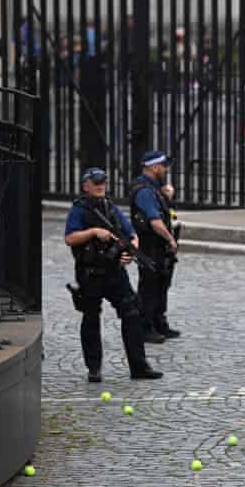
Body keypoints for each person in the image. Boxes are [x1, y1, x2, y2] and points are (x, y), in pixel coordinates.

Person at [64, 167, 163, 382]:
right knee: (91, 318)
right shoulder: (79, 210)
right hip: (90, 274)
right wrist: (92, 232)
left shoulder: (110, 207)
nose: (100, 185)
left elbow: (131, 235)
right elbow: (70, 238)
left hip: (114, 272)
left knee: (132, 313)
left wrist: (128, 252)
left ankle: (139, 366)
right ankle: (94, 369)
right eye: (95, 182)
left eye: (102, 182)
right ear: (85, 186)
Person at [130, 150, 180, 342]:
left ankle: (159, 322)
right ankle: (145, 327)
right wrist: (170, 239)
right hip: (151, 246)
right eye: (163, 166)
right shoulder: (144, 190)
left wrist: (167, 197)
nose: (166, 170)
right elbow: (155, 221)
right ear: (154, 167)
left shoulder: (154, 188)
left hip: (159, 248)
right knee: (149, 287)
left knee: (161, 284)